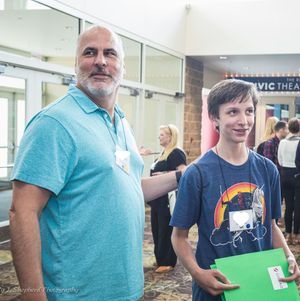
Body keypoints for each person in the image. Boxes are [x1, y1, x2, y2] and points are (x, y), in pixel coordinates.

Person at [9, 25, 184, 301]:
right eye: (90, 52)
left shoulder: (121, 122)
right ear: (76, 64)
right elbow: (23, 213)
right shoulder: (54, 123)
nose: (101, 61)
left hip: (124, 288)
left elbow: (127, 186)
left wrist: (179, 177)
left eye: (110, 53)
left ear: (122, 68)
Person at [170, 79, 300, 301]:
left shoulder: (267, 169)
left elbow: (270, 225)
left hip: (260, 281)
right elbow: (179, 236)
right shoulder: (198, 173)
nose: (243, 121)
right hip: (216, 285)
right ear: (214, 118)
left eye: (249, 111)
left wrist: (288, 256)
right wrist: (197, 273)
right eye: (232, 112)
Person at [149, 124, 186, 273]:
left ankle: (168, 261)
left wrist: (164, 173)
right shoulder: (163, 153)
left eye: (162, 135)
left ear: (171, 137)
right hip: (157, 198)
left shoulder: (176, 152)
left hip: (168, 199)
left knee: (166, 230)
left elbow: (183, 172)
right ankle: (160, 258)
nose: (159, 137)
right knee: (157, 229)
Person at [278, 118, 300, 244]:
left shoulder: (283, 142)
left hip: (285, 174)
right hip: (297, 174)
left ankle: (288, 234)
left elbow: (280, 161)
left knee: (288, 206)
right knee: (298, 207)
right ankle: (297, 234)